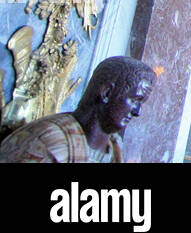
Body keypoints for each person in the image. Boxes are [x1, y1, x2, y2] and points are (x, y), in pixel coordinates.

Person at [0, 56, 154, 163]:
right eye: (134, 100)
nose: (137, 111)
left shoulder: (115, 148)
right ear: (107, 93)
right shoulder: (50, 142)